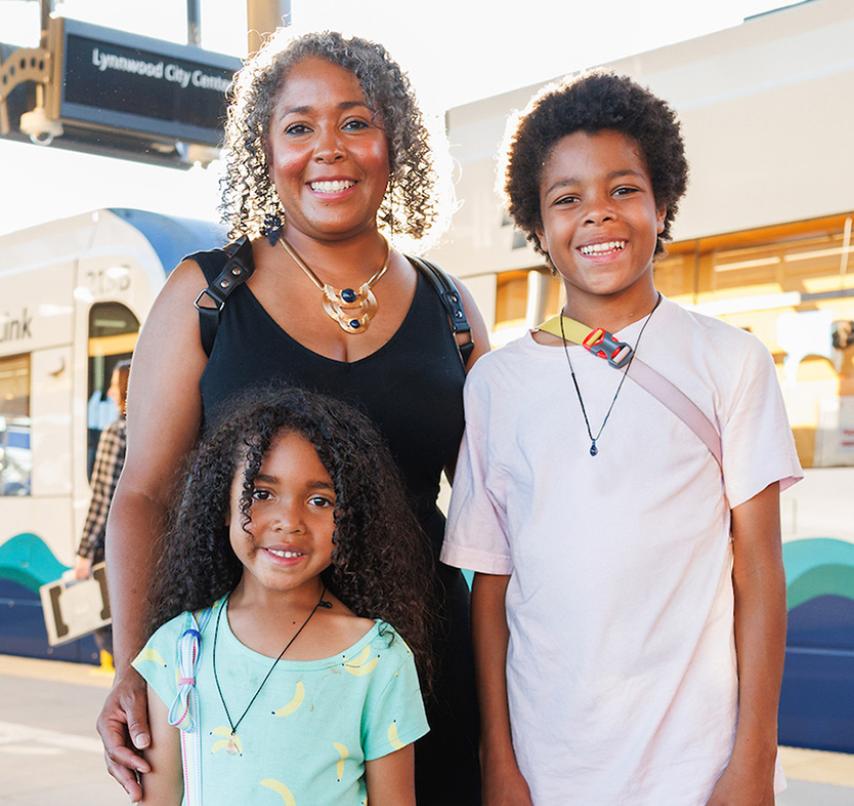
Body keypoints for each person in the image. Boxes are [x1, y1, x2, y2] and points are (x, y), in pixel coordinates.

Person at [99, 30, 488, 805]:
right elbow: (143, 496)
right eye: (299, 126)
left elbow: (499, 508)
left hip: (426, 673)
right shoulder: (205, 296)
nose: (329, 149)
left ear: (394, 143)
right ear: (264, 150)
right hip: (248, 680)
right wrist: (137, 669)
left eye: (355, 121)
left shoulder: (450, 306)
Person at [441, 72, 803, 805]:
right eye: (567, 198)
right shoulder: (495, 385)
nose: (597, 216)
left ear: (661, 202)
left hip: (696, 767)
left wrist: (752, 762)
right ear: (537, 227)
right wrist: (499, 761)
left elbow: (758, 572)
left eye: (623, 190)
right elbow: (492, 589)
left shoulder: (730, 361)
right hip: (549, 769)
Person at [134, 386, 430, 805]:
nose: (289, 521)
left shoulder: (379, 657)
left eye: (319, 500)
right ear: (223, 503)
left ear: (350, 518)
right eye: (261, 493)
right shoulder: (177, 648)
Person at [74, 359, 131, 666]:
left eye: (113, 384)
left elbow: (103, 499)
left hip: (114, 549)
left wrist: (84, 553)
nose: (109, 392)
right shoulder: (156, 428)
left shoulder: (116, 432)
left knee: (107, 627)